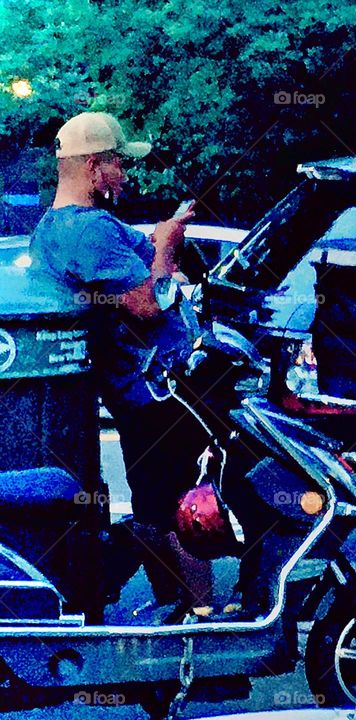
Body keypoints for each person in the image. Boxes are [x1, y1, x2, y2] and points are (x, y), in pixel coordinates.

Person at [29, 112, 211, 617]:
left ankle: (178, 605)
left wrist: (160, 241)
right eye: (118, 165)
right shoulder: (86, 232)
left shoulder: (62, 228)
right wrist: (167, 245)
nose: (126, 176)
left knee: (163, 497)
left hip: (142, 390)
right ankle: (200, 613)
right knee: (180, 502)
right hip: (152, 391)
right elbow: (148, 302)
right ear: (92, 168)